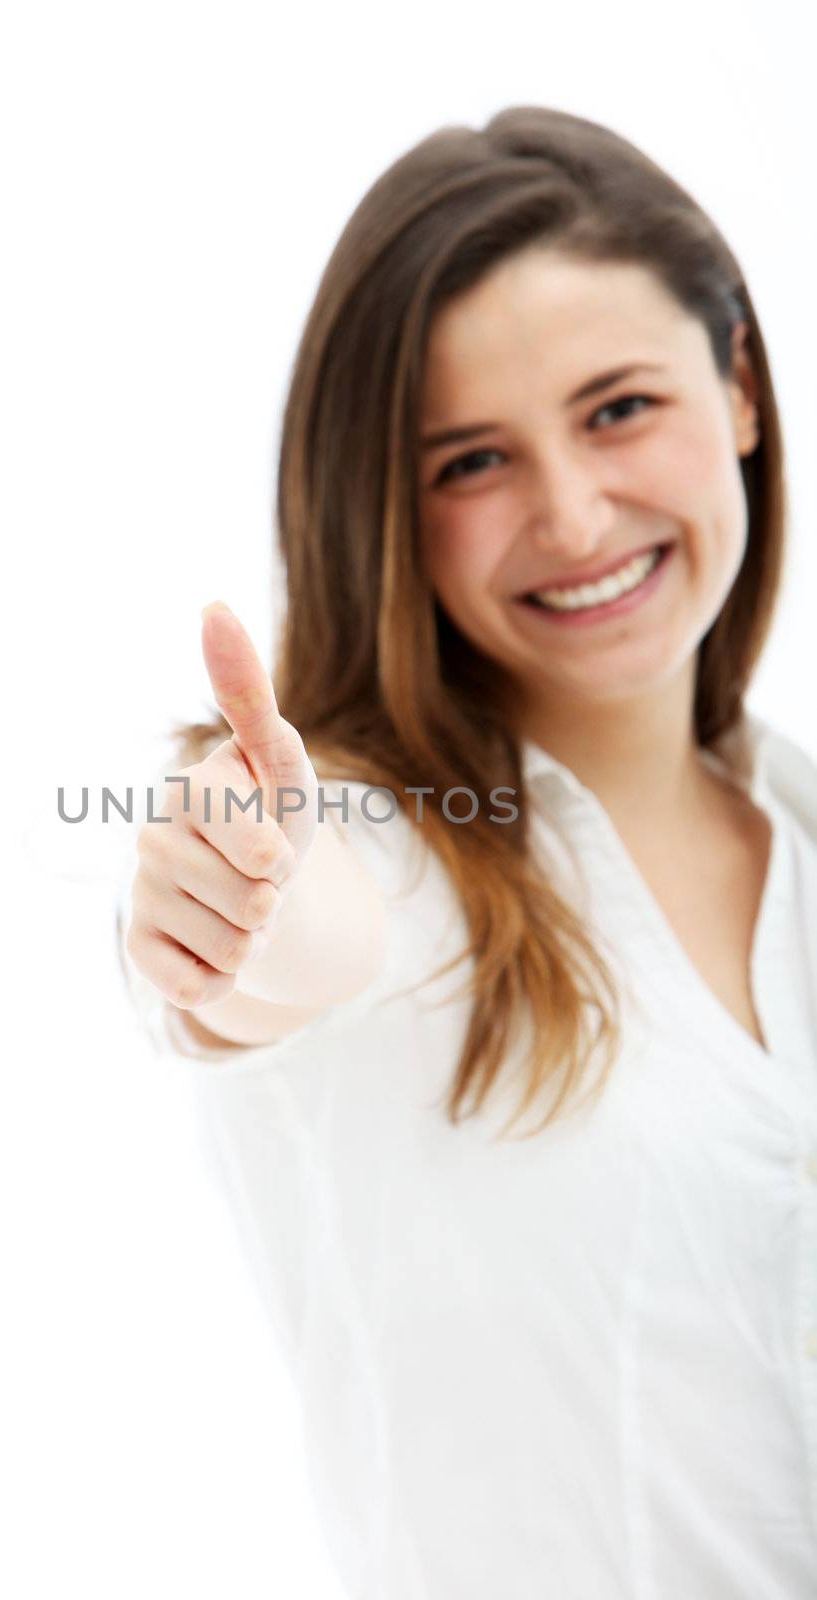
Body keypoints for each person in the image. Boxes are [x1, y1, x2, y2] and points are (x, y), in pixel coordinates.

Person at [116, 105, 817, 1597]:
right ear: (384, 508)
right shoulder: (386, 846)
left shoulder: (800, 822)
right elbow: (311, 930)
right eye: (471, 462)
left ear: (742, 386)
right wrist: (240, 911)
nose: (572, 514)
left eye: (619, 408)